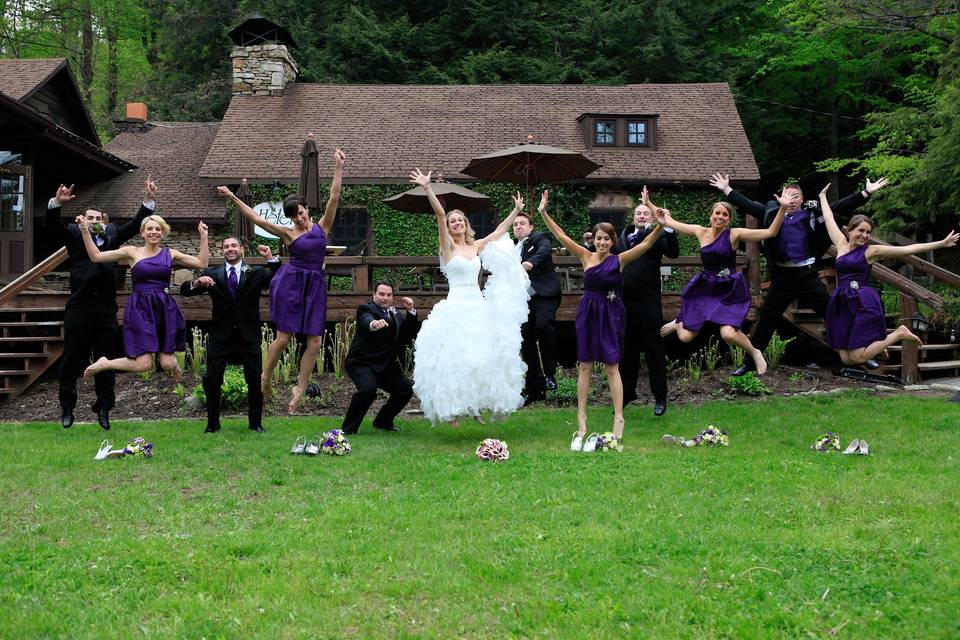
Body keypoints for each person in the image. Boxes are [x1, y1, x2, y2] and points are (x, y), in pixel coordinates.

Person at [709, 172, 889, 375]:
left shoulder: (812, 214)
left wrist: (865, 192)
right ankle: (748, 364)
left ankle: (864, 353)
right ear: (781, 198)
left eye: (796, 197)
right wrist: (726, 189)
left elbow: (839, 207)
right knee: (767, 320)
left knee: (835, 312)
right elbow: (749, 205)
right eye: (788, 196)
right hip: (782, 277)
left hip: (807, 275)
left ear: (802, 200)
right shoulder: (771, 213)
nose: (791, 200)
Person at [217, 147, 346, 413]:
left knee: (315, 342)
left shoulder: (323, 227)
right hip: (291, 285)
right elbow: (255, 217)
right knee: (284, 338)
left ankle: (300, 387)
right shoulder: (288, 234)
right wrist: (232, 196)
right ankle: (265, 376)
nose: (300, 217)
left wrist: (338, 167)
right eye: (295, 215)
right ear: (290, 218)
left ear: (307, 209)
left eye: (302, 212)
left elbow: (334, 197)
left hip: (315, 287)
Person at [536, 189, 664, 450]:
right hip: (588, 312)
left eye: (606, 239)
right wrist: (543, 212)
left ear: (612, 241)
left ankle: (619, 417)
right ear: (593, 240)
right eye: (598, 238)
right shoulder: (586, 256)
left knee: (611, 366)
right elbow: (561, 236)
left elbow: (646, 245)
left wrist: (661, 225)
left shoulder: (620, 259)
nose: (602, 243)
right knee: (584, 366)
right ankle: (581, 419)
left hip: (612, 313)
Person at [407, 168, 528, 425]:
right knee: (454, 358)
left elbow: (498, 233)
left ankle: (475, 406)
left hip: (478, 306)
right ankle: (450, 409)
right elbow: (440, 214)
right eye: (454, 222)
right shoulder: (447, 247)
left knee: (480, 355)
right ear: (450, 228)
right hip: (456, 307)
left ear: (466, 224)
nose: (457, 223)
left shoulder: (474, 246)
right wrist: (428, 187)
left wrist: (516, 212)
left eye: (461, 220)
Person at [44, 179, 156, 429]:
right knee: (72, 359)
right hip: (79, 309)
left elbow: (135, 225)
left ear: (103, 222)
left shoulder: (113, 234)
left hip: (105, 309)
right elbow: (52, 226)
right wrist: (57, 204)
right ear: (83, 220)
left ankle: (104, 408)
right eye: (90, 218)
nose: (94, 221)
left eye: (98, 218)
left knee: (105, 360)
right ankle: (67, 407)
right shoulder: (74, 235)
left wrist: (148, 201)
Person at [818, 185, 958, 364]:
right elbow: (829, 219)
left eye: (868, 232)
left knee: (858, 356)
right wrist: (822, 197)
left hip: (862, 301)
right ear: (850, 230)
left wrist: (940, 244)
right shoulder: (841, 244)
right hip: (842, 301)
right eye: (861, 230)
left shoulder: (871, 251)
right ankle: (880, 344)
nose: (865, 235)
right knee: (846, 359)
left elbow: (906, 249)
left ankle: (898, 333)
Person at [657, 189, 788, 375]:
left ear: (729, 219)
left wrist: (782, 208)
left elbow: (771, 232)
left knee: (727, 333)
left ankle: (755, 352)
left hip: (729, 289)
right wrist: (650, 205)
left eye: (725, 214)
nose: (720, 217)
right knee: (685, 337)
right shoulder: (700, 231)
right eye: (717, 213)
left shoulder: (734, 234)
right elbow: (669, 221)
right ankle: (679, 321)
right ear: (711, 216)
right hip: (706, 288)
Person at [80, 215, 209, 377]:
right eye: (149, 228)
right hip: (140, 309)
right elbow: (96, 256)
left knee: (167, 362)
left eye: (158, 229)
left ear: (163, 233)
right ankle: (106, 363)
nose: (153, 232)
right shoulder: (131, 252)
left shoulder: (170, 253)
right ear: (142, 233)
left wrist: (204, 237)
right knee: (144, 364)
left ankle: (175, 368)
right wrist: (85, 230)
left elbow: (202, 263)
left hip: (164, 308)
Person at [179, 237, 280, 433]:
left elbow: (280, 277)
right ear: (222, 251)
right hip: (220, 335)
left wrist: (270, 258)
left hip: (248, 335)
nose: (230, 249)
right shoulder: (212, 274)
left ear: (242, 249)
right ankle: (212, 424)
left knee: (254, 380)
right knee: (212, 379)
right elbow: (185, 291)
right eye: (226, 247)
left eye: (234, 246)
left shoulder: (256, 273)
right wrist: (197, 282)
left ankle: (256, 424)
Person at [618, 194, 680, 416]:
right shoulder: (623, 236)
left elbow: (673, 253)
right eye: (638, 213)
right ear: (633, 217)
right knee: (627, 353)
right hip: (625, 305)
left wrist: (669, 228)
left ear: (652, 218)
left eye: (645, 213)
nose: (641, 216)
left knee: (654, 353)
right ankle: (627, 394)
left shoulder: (658, 235)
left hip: (648, 304)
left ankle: (660, 398)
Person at [341, 282, 419, 434]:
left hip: (385, 365)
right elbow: (365, 319)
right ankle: (348, 430)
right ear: (374, 295)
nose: (385, 298)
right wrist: (374, 323)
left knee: (406, 389)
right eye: (381, 294)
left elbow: (408, 333)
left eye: (389, 295)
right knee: (368, 390)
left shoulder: (395, 314)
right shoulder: (367, 309)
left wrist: (411, 312)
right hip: (361, 363)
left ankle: (383, 421)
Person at [512, 210, 562, 404]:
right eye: (515, 224)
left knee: (543, 325)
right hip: (524, 299)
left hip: (545, 294)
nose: (518, 227)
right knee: (525, 339)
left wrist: (530, 262)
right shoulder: (512, 248)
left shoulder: (539, 238)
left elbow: (545, 250)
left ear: (530, 227)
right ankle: (535, 389)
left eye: (522, 224)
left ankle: (550, 375)